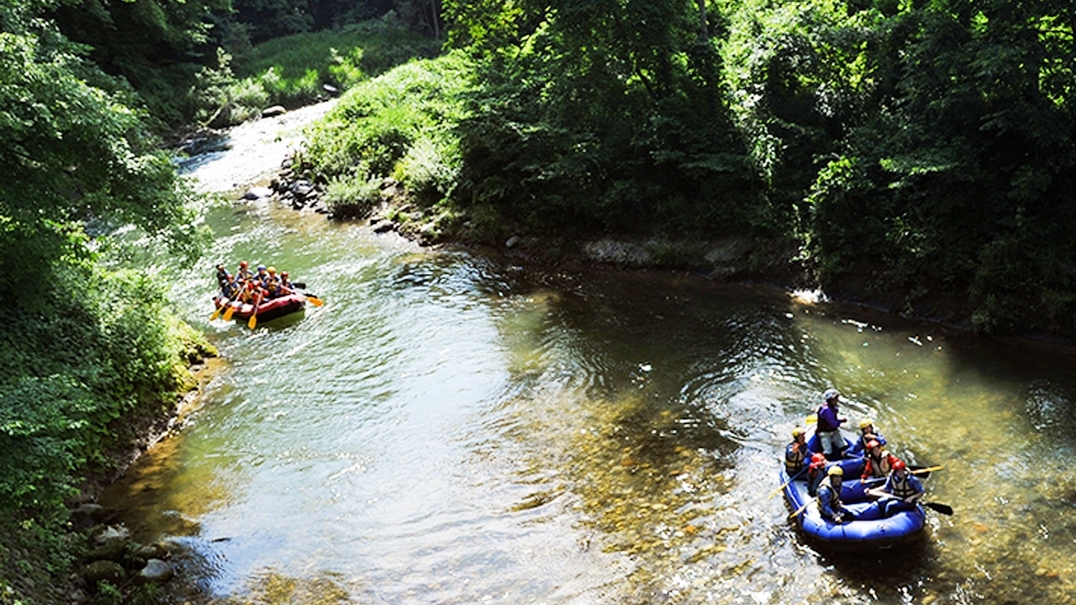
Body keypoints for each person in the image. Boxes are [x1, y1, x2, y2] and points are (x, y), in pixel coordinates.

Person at [815, 388, 848, 459]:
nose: (837, 400)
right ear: (830, 400)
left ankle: (843, 456)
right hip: (825, 433)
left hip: (834, 431)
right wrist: (841, 421)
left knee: (843, 446)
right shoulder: (826, 410)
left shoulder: (834, 407)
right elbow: (833, 424)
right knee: (828, 451)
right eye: (835, 399)